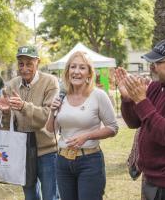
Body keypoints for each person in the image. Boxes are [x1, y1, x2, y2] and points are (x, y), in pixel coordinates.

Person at [116, 38, 165, 200]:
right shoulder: (157, 86)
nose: (153, 66)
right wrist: (127, 99)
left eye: (158, 62)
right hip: (153, 179)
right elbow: (134, 123)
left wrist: (141, 100)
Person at [45, 51, 118, 200]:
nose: (76, 71)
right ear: (67, 71)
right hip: (62, 162)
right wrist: (52, 111)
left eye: (82, 68)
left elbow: (113, 128)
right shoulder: (61, 96)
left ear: (89, 74)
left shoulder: (98, 95)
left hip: (89, 161)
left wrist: (87, 136)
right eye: (73, 67)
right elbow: (50, 129)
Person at [0, 46, 59, 200]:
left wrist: (23, 106)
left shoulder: (50, 81)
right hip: (22, 150)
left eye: (29, 63)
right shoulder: (12, 85)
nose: (25, 68)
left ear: (38, 62)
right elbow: (9, 125)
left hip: (47, 151)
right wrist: (7, 112)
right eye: (21, 64)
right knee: (30, 195)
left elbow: (46, 117)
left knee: (51, 196)